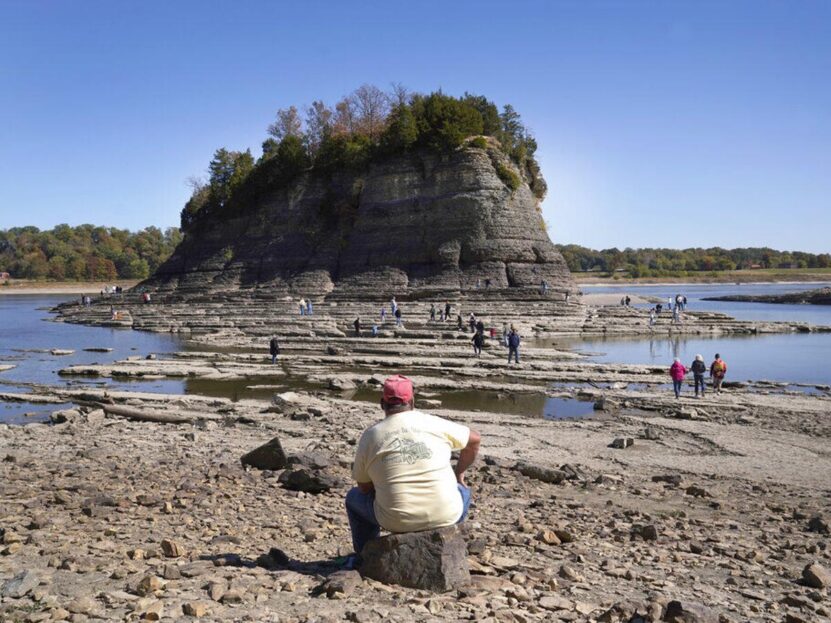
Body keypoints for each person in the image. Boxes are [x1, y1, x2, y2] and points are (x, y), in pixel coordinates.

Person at [345, 375, 480, 559]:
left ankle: (365, 555)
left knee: (353, 498)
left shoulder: (371, 436)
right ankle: (449, 539)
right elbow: (474, 440)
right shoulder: (432, 422)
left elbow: (363, 487)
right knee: (463, 491)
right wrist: (460, 473)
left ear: (382, 403)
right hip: (446, 513)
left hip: (396, 520)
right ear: (412, 401)